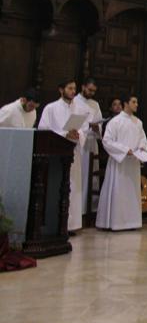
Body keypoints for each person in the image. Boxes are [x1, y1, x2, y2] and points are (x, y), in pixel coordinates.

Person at [95, 94, 147, 231]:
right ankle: (116, 222)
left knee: (132, 192)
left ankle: (132, 222)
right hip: (120, 163)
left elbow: (143, 139)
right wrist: (125, 150)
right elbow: (107, 141)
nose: (137, 105)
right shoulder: (115, 122)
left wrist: (141, 148)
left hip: (133, 163)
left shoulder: (138, 122)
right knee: (118, 191)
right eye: (134, 102)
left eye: (137, 102)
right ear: (126, 103)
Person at [37, 79, 84, 232]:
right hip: (57, 155)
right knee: (58, 188)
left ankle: (72, 225)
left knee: (74, 188)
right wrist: (65, 134)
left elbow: (84, 128)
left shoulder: (78, 109)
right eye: (70, 88)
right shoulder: (51, 108)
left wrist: (78, 134)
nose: (73, 91)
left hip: (74, 153)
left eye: (74, 89)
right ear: (61, 90)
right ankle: (57, 225)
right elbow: (44, 130)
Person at [74, 78, 102, 215]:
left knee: (91, 178)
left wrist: (97, 128)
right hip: (79, 143)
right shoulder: (74, 102)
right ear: (83, 86)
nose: (91, 93)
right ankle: (78, 210)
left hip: (91, 143)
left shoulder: (95, 104)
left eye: (94, 91)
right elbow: (72, 124)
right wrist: (87, 126)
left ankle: (90, 209)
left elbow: (99, 123)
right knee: (79, 176)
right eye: (89, 90)